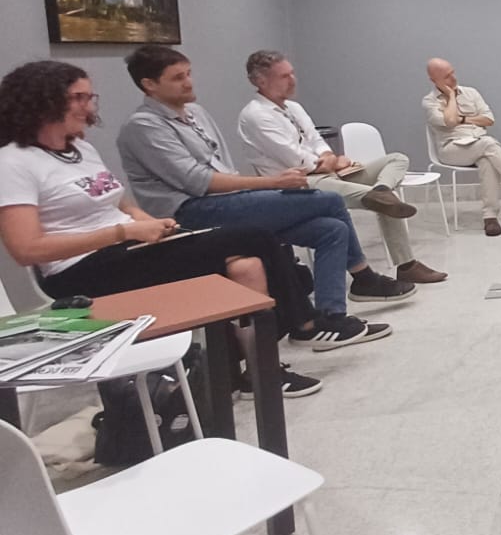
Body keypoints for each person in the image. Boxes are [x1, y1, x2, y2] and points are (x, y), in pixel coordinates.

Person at [0, 61, 322, 395]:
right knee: (255, 236)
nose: (88, 106)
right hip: (80, 270)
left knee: (247, 266)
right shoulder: (14, 162)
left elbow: (121, 204)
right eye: (78, 98)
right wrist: (122, 233)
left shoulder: (81, 149)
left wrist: (147, 223)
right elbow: (26, 249)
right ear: (43, 102)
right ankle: (304, 324)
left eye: (89, 97)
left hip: (128, 248)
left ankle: (257, 373)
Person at [116, 45, 405, 351]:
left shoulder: (195, 113)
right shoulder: (143, 126)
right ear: (149, 84)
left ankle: (329, 317)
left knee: (330, 230)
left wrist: (258, 189)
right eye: (178, 78)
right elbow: (198, 182)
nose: (189, 83)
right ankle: (363, 278)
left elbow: (223, 166)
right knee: (329, 200)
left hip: (228, 200)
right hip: (189, 212)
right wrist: (270, 184)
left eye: (188, 74)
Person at [237, 50, 446, 284]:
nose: (293, 80)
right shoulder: (256, 115)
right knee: (386, 201)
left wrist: (329, 157)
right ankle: (405, 260)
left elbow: (316, 140)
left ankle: (382, 190)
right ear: (261, 81)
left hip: (328, 173)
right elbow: (296, 160)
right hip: (298, 184)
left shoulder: (293, 108)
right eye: (284, 76)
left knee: (396, 160)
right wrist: (332, 161)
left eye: (292, 73)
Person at [424, 58, 501, 236]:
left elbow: (489, 120)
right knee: (489, 143)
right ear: (434, 80)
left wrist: (463, 119)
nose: (453, 78)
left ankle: (490, 217)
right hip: (451, 150)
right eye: (446, 77)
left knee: (487, 160)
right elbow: (449, 121)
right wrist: (450, 96)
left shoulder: (471, 93)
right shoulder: (430, 102)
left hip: (478, 144)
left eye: (453, 72)